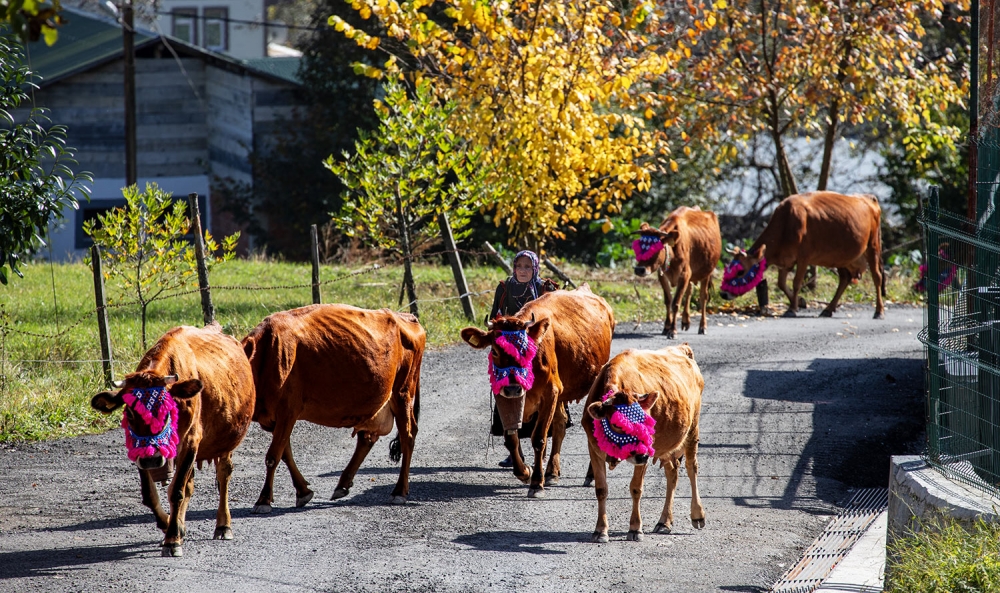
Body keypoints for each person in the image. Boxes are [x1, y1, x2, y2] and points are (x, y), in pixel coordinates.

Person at [487, 250, 568, 468]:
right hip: (509, 350)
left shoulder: (546, 288)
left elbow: (557, 318)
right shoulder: (504, 288)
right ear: (513, 268)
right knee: (507, 392)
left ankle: (544, 450)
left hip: (539, 346)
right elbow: (495, 315)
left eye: (527, 267)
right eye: (519, 266)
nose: (523, 271)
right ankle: (514, 451)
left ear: (535, 268)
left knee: (545, 394)